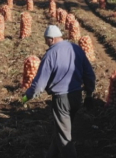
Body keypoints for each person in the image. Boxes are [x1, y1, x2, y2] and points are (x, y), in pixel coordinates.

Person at [22, 25, 96, 158]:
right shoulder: (76, 49)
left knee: (64, 136)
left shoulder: (50, 55)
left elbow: (39, 84)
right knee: (61, 130)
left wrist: (26, 97)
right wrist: (89, 94)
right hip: (76, 97)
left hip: (61, 100)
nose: (46, 43)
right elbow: (89, 74)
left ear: (51, 39)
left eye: (46, 40)